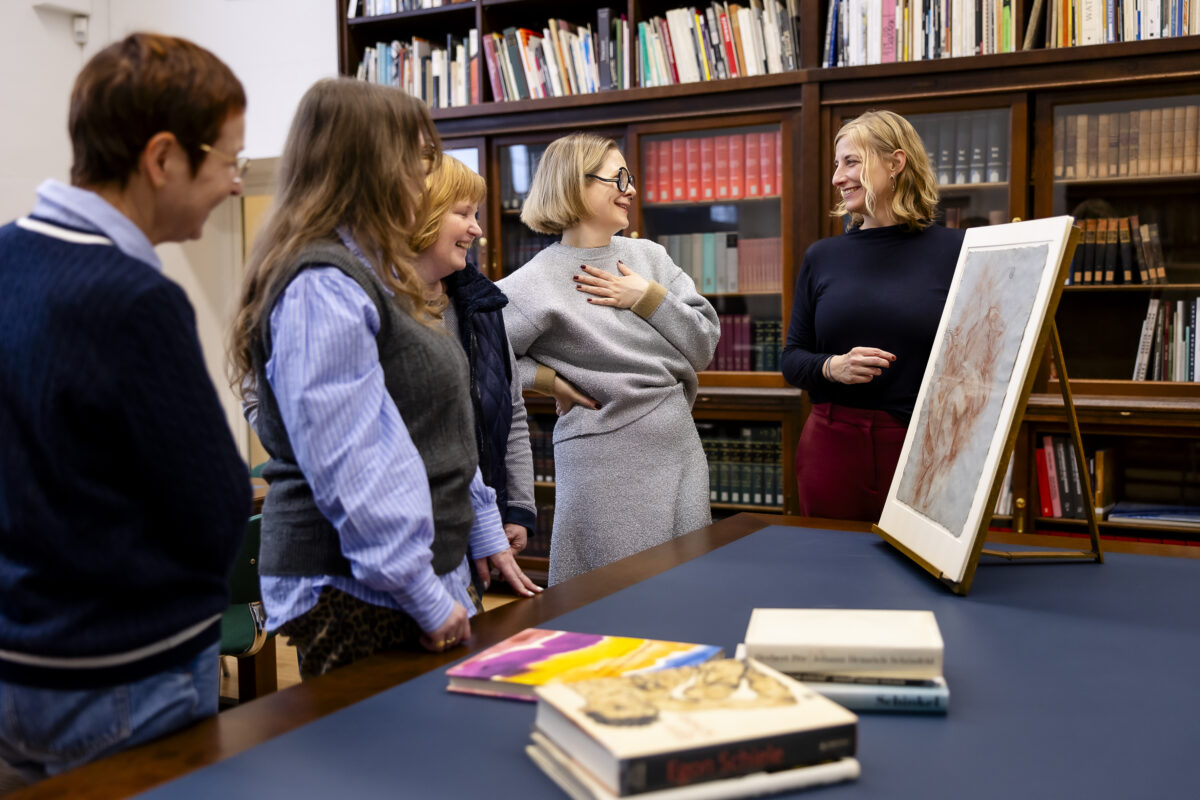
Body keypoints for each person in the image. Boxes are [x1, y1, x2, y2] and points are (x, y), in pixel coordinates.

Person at [227, 78, 539, 680]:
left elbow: (433, 427)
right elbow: (352, 465)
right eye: (417, 161)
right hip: (360, 586)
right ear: (370, 165)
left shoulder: (377, 274)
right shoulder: (323, 283)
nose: (425, 180)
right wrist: (423, 593)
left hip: (404, 572)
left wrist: (478, 527)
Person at [0, 34, 250, 783]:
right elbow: (216, 503)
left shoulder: (8, 256)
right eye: (231, 160)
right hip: (122, 679)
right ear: (163, 157)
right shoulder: (136, 300)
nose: (237, 184)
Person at [497, 133, 720, 585]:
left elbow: (703, 345)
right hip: (601, 464)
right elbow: (472, 358)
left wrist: (648, 296)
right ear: (573, 185)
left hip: (678, 448)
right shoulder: (532, 283)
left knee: (685, 597)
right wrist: (547, 380)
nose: (631, 189)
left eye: (630, 177)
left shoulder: (650, 258)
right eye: (617, 177)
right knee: (609, 605)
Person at [781, 109, 965, 522]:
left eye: (851, 162)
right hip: (832, 448)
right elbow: (791, 360)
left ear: (896, 162)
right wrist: (833, 367)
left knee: (917, 581)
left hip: (926, 449)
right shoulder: (822, 257)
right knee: (832, 576)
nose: (837, 178)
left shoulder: (960, 251)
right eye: (836, 165)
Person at [409, 156, 537, 586]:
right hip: (410, 540)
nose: (477, 229)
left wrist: (516, 508)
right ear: (419, 215)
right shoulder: (372, 307)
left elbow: (512, 409)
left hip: (477, 531)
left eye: (477, 215)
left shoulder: (483, 306)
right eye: (463, 213)